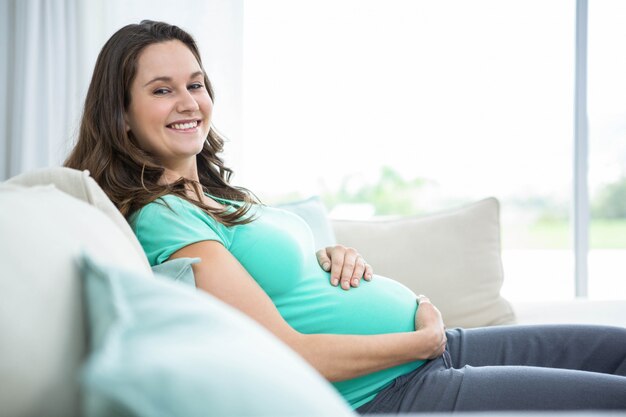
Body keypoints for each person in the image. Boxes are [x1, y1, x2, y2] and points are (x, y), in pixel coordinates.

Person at [65, 20, 626, 413]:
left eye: (195, 83)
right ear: (122, 113)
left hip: (435, 351)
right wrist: (419, 343)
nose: (189, 102)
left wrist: (328, 256)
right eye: (162, 90)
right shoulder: (163, 217)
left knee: (616, 349)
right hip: (393, 390)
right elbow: (286, 350)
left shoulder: (215, 196)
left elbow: (274, 281)